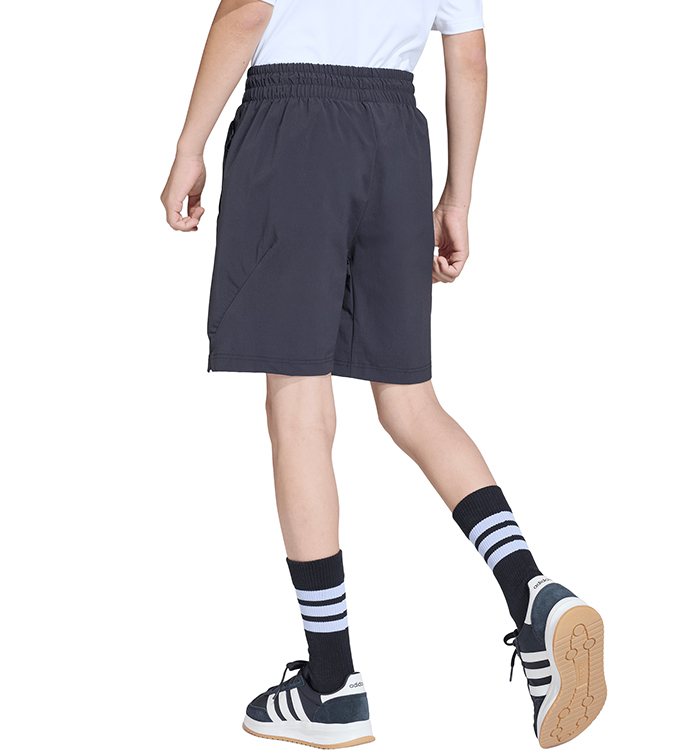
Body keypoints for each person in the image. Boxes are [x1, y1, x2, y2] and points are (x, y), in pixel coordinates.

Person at [160, 1, 607, 747]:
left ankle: (332, 684)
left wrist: (189, 144)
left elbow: (247, 11)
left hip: (294, 128)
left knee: (298, 405)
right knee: (411, 403)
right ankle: (531, 592)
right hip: (396, 136)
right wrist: (457, 197)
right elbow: (469, 56)